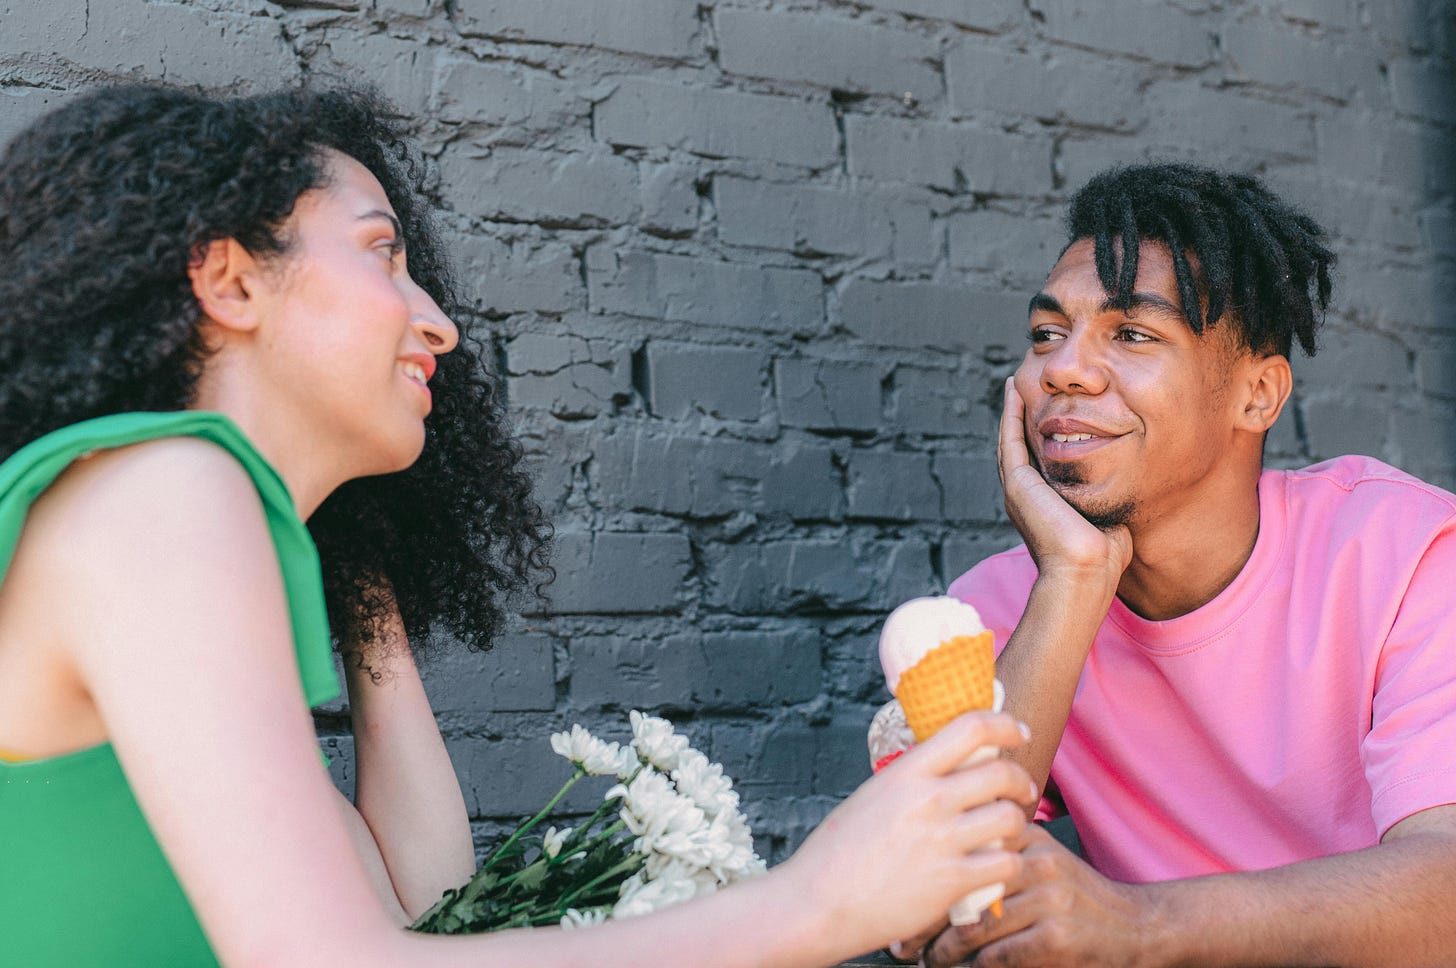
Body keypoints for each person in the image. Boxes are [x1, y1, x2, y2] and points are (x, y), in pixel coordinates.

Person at [0, 83, 1037, 968]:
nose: (439, 322)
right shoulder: (166, 494)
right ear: (230, 280)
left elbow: (425, 906)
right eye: (381, 252)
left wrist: (356, 556)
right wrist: (820, 902)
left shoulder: (148, 524)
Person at [894, 163, 1456, 968]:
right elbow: (923, 897)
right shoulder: (1003, 608)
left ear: (1257, 395)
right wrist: (1073, 583)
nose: (1063, 369)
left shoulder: (1405, 554)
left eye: (1132, 334)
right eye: (1047, 334)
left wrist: (1141, 926)